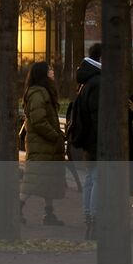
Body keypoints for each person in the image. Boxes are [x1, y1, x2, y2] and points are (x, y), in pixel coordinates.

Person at [20, 62, 66, 225]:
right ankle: (17, 209)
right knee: (34, 179)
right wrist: (55, 136)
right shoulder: (38, 93)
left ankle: (49, 214)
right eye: (50, 70)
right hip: (42, 143)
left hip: (46, 144)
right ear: (42, 74)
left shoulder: (42, 92)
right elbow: (38, 120)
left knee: (48, 179)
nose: (52, 72)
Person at [67, 42, 103, 238]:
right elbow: (98, 115)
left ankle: (89, 216)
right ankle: (95, 219)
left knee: (90, 179)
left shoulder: (86, 81)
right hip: (96, 139)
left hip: (86, 138)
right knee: (97, 178)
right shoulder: (98, 82)